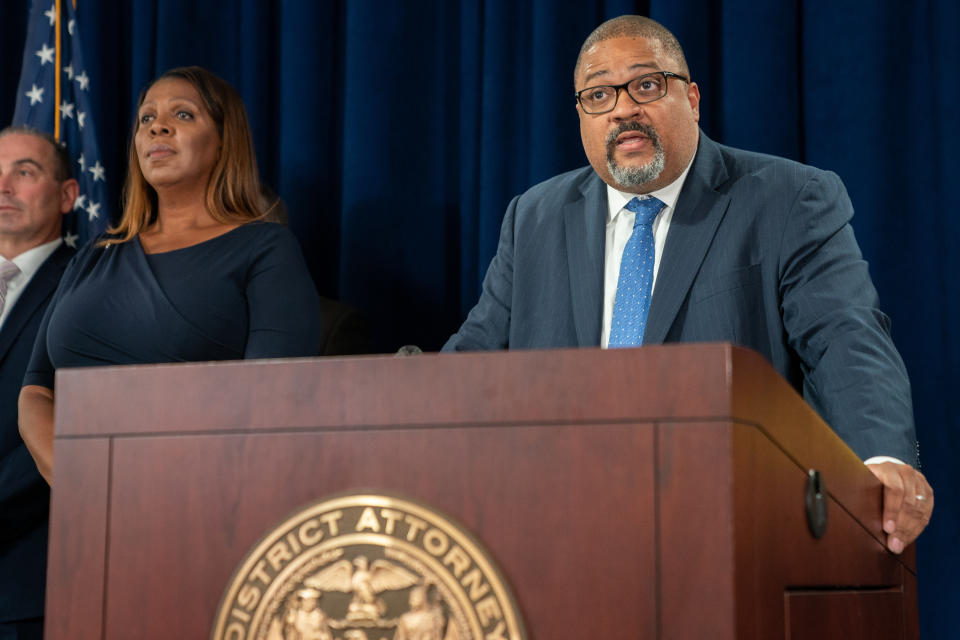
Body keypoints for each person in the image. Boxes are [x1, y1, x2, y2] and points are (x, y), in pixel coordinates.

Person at [444, 16, 933, 554]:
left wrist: (881, 459)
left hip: (730, 522)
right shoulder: (534, 217)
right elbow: (473, 360)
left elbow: (846, 336)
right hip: (558, 525)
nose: (624, 108)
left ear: (692, 98)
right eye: (600, 94)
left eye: (646, 85)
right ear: (582, 114)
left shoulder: (787, 199)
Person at [18, 66, 322, 484]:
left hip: (200, 505)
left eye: (182, 115)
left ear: (222, 142)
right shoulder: (95, 253)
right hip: (82, 509)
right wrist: (81, 481)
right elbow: (36, 388)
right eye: (147, 118)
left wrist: (144, 492)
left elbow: (273, 405)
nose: (158, 127)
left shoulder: (265, 248)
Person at [0, 127, 76, 639]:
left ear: (68, 194)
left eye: (23, 172)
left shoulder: (91, 288)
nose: (3, 187)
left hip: (22, 582)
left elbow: (71, 424)